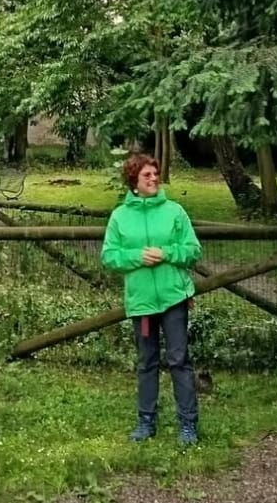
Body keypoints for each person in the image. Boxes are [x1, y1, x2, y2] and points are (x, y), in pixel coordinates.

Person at [101, 153, 202, 445]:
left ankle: (188, 424)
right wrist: (136, 257)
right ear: (134, 181)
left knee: (179, 359)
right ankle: (146, 422)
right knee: (147, 361)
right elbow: (109, 256)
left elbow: (193, 250)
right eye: (147, 175)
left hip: (174, 299)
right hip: (143, 305)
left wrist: (168, 253)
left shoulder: (175, 212)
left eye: (155, 174)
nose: (154, 179)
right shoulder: (119, 217)